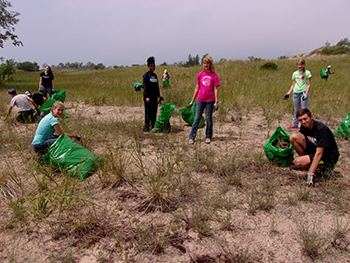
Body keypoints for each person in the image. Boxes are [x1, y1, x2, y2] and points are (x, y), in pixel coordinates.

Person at [289, 109, 340, 186]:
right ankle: (306, 163)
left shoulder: (321, 129)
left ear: (311, 117)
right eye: (300, 120)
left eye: (305, 119)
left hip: (328, 155)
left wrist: (310, 175)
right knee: (293, 137)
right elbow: (306, 139)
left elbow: (319, 153)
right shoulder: (304, 127)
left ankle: (326, 167)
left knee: (297, 162)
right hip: (315, 148)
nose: (303, 122)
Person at [187, 55, 220, 145]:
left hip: (210, 100)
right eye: (204, 63)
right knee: (197, 118)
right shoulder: (200, 74)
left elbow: (216, 89)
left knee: (208, 118)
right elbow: (197, 88)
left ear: (210, 64)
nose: (206, 65)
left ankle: (208, 136)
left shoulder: (214, 75)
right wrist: (192, 101)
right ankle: (192, 137)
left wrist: (216, 102)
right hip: (200, 99)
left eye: (207, 63)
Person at [283, 58, 312, 129]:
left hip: (303, 92)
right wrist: (288, 93)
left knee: (304, 109)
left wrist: (306, 93)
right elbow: (293, 84)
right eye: (299, 64)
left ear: (304, 65)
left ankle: (304, 125)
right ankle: (295, 124)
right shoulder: (295, 73)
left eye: (301, 64)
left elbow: (309, 84)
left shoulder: (307, 73)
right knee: (297, 109)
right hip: (296, 93)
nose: (300, 66)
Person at [142, 56, 163, 131]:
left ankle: (153, 125)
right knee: (148, 111)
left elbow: (157, 87)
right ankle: (146, 126)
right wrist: (147, 97)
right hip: (148, 97)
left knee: (154, 111)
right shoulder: (146, 75)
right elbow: (145, 87)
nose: (152, 67)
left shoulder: (155, 76)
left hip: (154, 97)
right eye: (151, 66)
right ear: (148, 67)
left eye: (153, 66)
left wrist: (159, 96)